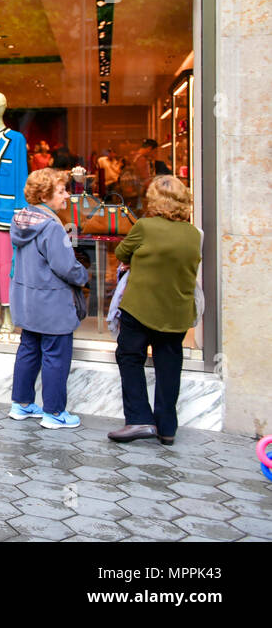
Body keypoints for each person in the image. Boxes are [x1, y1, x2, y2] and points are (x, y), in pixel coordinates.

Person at [108, 176, 202, 446]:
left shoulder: (145, 227)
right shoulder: (193, 234)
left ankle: (138, 419)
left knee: (129, 357)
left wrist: (136, 260)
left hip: (141, 308)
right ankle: (167, 428)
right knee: (169, 366)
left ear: (154, 200)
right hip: (177, 311)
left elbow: (122, 252)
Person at [7, 168, 88, 430]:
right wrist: (84, 274)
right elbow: (66, 267)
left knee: (28, 349)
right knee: (55, 356)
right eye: (61, 191)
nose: (66, 196)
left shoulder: (21, 220)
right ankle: (54, 413)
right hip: (52, 304)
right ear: (46, 195)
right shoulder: (51, 227)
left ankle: (21, 404)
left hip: (27, 300)